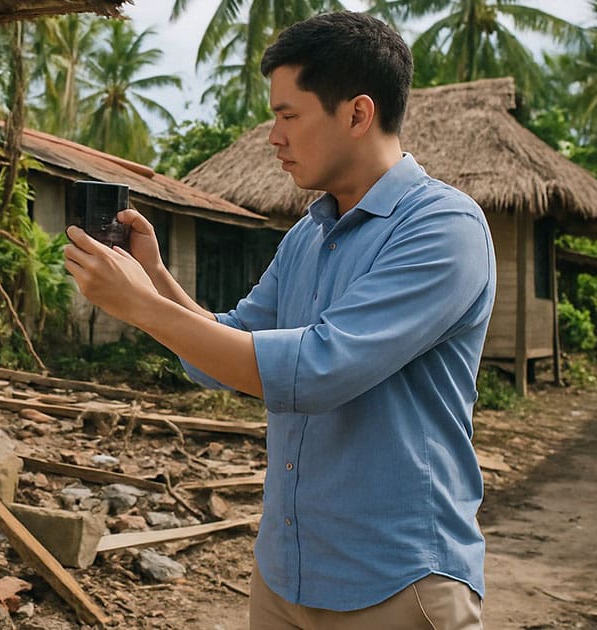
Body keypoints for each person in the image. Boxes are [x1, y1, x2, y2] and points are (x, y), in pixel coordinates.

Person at [63, 11, 493, 629]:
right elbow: (231, 348)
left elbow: (315, 371)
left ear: (356, 113)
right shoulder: (309, 235)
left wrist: (138, 303)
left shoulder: (442, 229)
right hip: (287, 573)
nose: (273, 136)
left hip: (397, 584)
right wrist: (155, 278)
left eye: (288, 115)